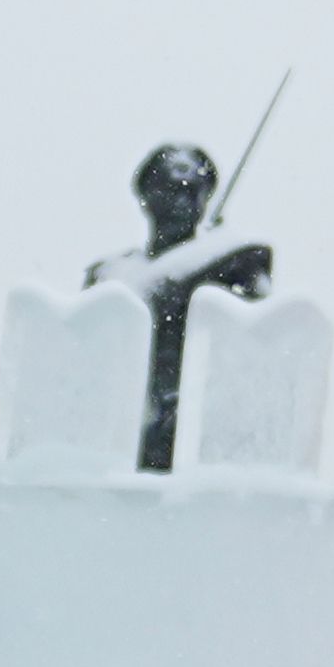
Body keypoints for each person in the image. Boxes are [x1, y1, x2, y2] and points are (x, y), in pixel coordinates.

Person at [91, 141, 281, 477]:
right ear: (146, 195)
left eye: (195, 190)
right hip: (120, 428)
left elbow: (263, 329)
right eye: (171, 189)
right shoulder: (109, 273)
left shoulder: (232, 261)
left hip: (194, 428)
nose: (184, 200)